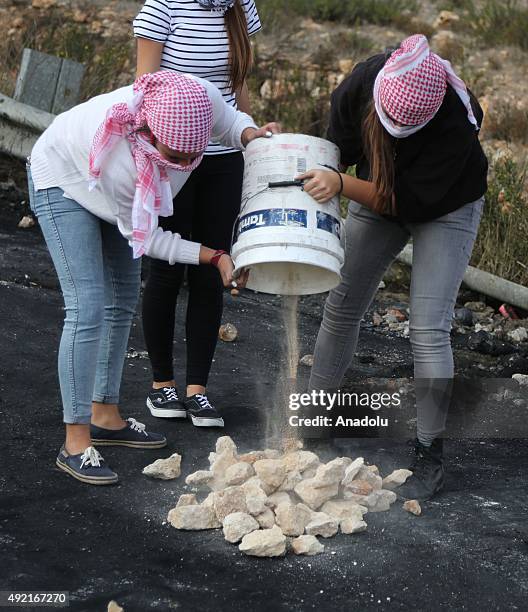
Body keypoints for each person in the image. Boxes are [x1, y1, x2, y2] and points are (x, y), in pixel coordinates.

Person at [27, 70, 279, 485]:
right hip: (64, 179)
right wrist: (214, 257)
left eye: (190, 157)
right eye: (175, 156)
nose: (183, 165)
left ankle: (105, 415)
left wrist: (250, 134)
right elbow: (151, 239)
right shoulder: (120, 159)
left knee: (122, 298)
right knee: (87, 303)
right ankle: (75, 440)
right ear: (147, 130)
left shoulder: (198, 102)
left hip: (112, 196)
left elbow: (231, 122)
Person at [297, 35, 488, 501]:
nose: (399, 125)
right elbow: (335, 151)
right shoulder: (362, 83)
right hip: (376, 190)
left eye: (409, 123)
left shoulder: (453, 121)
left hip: (447, 208)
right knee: (341, 307)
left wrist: (341, 184)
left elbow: (402, 200)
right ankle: (318, 421)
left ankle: (429, 453)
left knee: (428, 328)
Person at [133, 0, 262, 427]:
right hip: (172, 154)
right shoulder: (162, 7)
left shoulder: (241, 5)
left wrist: (251, 136)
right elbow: (144, 87)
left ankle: (198, 391)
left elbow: (237, 88)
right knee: (168, 266)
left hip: (224, 155)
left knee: (212, 268)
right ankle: (162, 384)